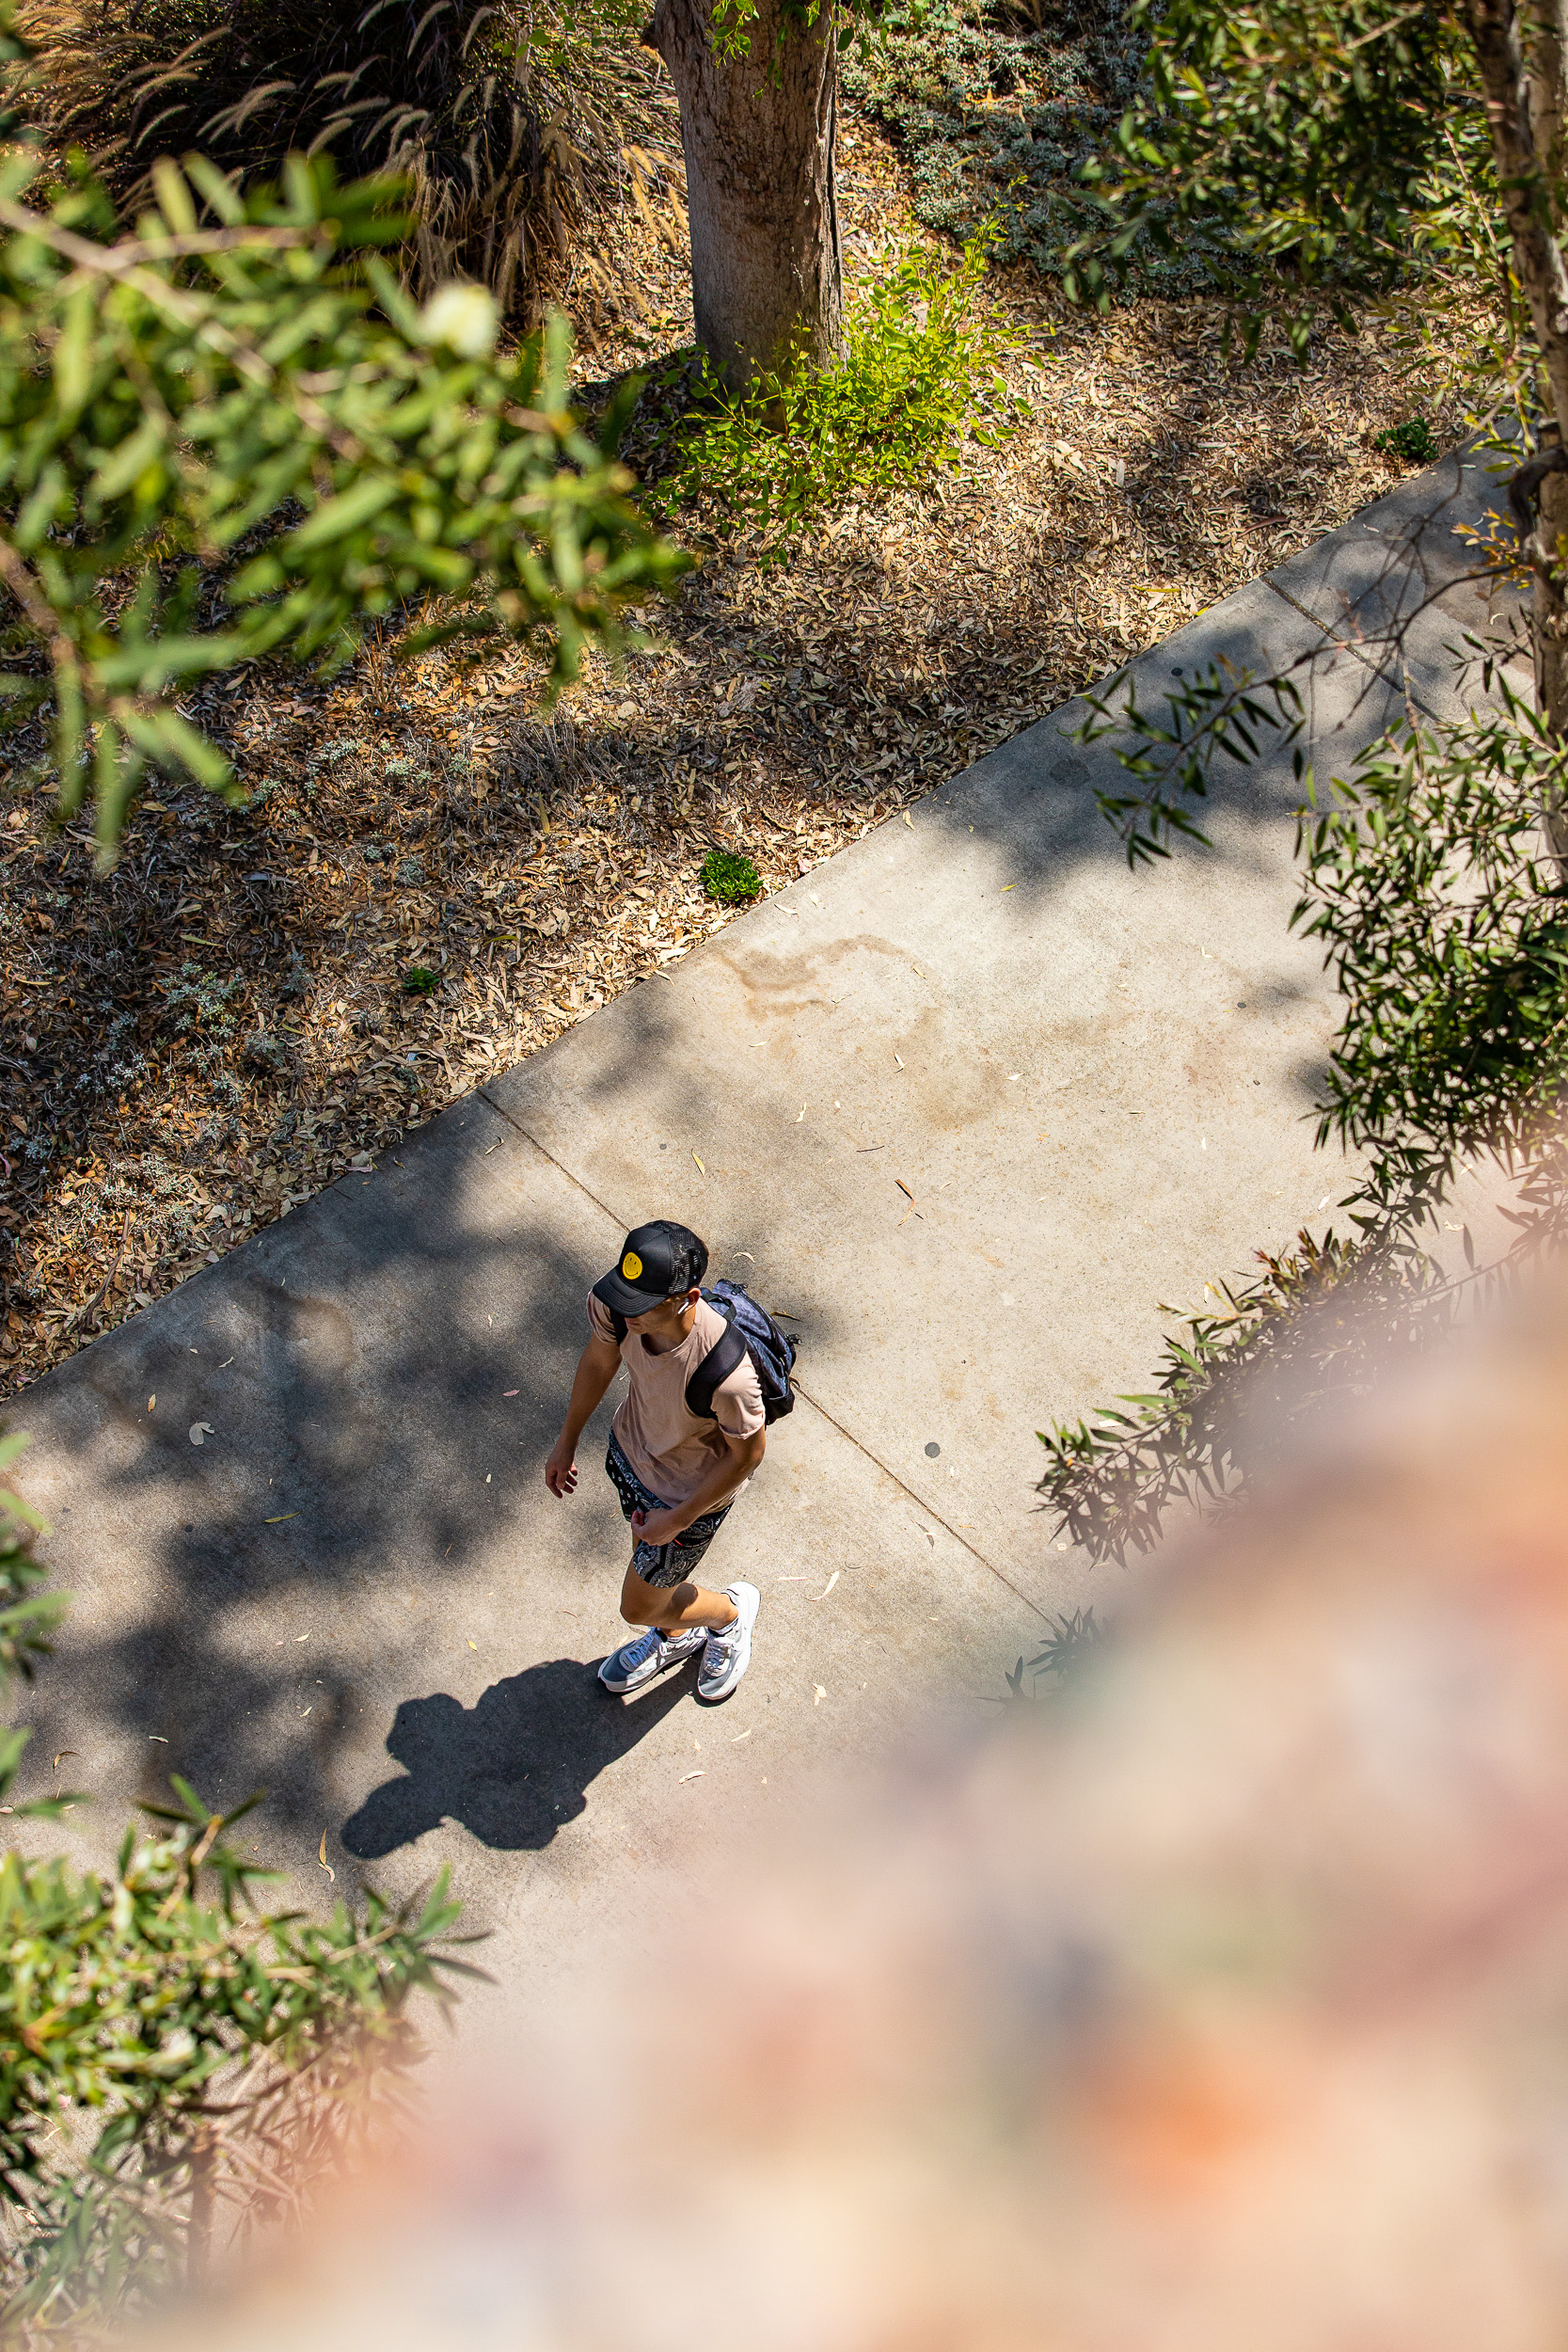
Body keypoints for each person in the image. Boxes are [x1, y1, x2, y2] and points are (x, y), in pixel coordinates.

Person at [545, 1219, 764, 1700]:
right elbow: (601, 1360)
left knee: (638, 1606)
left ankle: (729, 1615)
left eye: (641, 1304)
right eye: (623, 1294)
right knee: (655, 1585)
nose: (627, 1311)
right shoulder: (618, 1305)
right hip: (632, 1458)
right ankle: (675, 1633)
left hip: (687, 1498)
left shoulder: (727, 1374)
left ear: (687, 1299)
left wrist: (678, 1518)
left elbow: (748, 1455)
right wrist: (567, 1441)